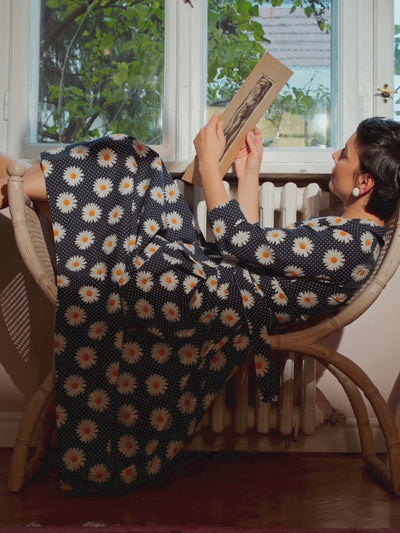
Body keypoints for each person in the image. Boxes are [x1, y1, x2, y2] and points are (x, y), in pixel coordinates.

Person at [0, 115, 399, 494]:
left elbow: (240, 241)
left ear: (364, 182)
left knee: (122, 160)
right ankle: (10, 182)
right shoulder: (352, 234)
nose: (335, 156)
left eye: (345, 154)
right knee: (138, 158)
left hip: (195, 294)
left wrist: (209, 163)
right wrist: (249, 173)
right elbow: (253, 253)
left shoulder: (355, 244)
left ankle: (11, 183)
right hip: (205, 278)